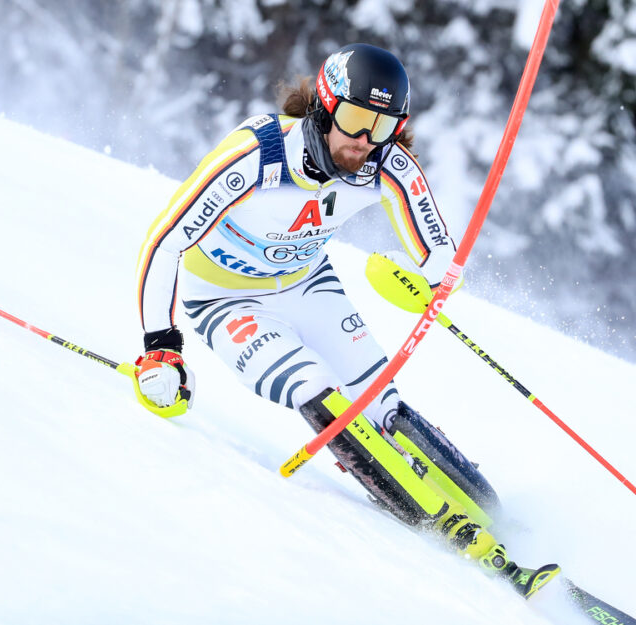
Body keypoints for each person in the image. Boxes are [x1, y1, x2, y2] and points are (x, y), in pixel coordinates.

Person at [132, 43, 557, 597]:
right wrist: (162, 345)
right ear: (324, 107)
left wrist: (438, 275)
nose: (364, 140)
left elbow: (438, 257)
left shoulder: (387, 166)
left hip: (309, 285)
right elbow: (164, 242)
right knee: (314, 385)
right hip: (225, 300)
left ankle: (487, 508)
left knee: (384, 405)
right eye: (355, 119)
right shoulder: (255, 155)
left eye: (382, 126)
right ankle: (439, 521)